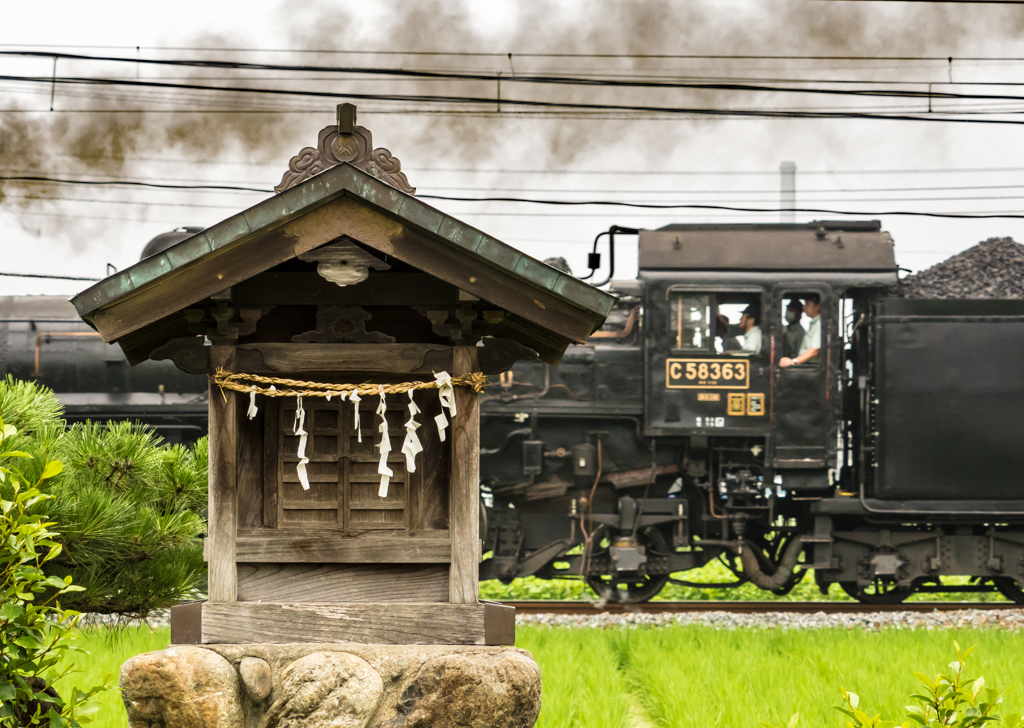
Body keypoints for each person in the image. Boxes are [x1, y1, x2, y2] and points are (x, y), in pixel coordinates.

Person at [780, 295, 821, 367]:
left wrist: (794, 361)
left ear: (817, 307)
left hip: (811, 366)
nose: (804, 307)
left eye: (808, 304)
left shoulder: (819, 324)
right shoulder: (813, 324)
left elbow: (815, 350)